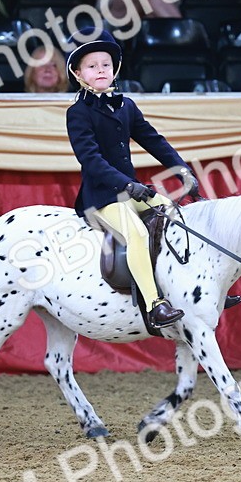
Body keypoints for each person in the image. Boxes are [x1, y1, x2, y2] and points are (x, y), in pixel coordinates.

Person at [65, 28, 197, 329]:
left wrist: (183, 170)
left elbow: (154, 140)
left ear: (115, 69)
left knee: (178, 217)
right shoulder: (78, 113)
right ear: (78, 72)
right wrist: (126, 184)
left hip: (131, 191)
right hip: (100, 198)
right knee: (136, 233)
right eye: (92, 66)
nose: (100, 70)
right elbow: (91, 160)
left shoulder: (126, 106)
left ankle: (189, 290)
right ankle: (155, 305)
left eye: (106, 65)